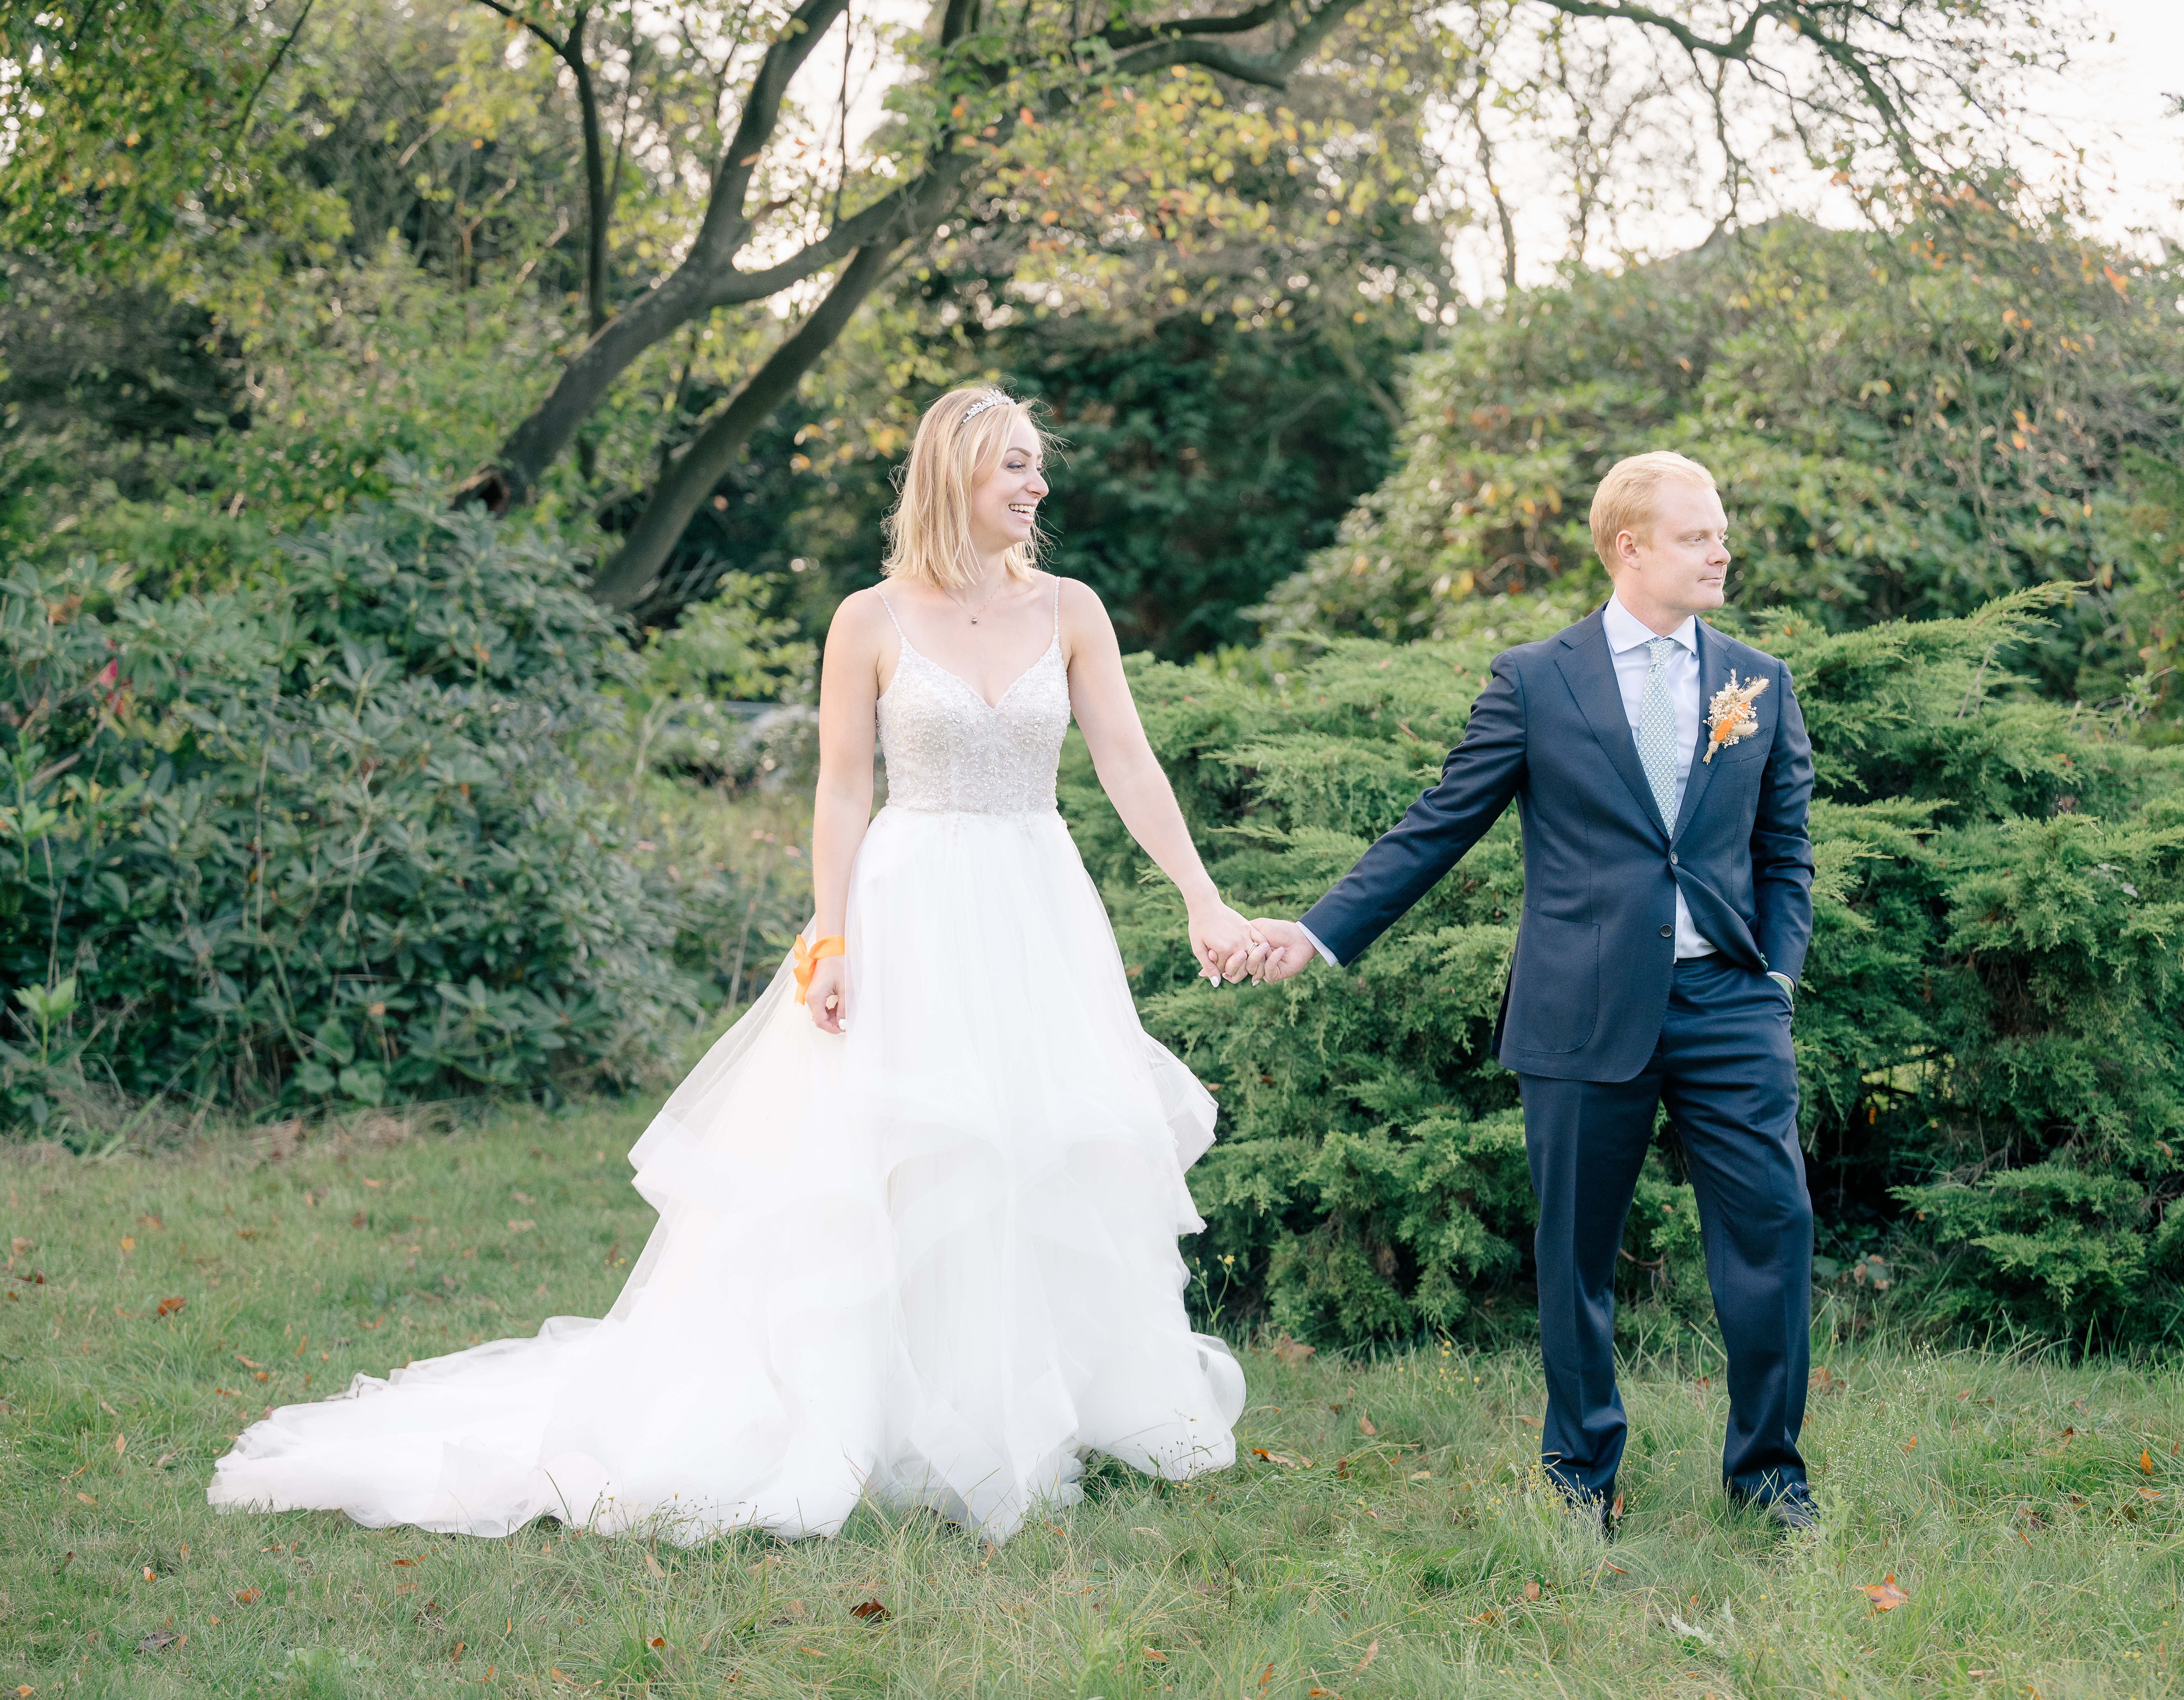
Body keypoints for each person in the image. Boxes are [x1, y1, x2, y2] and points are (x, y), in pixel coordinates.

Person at [210, 388, 1263, 1544]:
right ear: (957, 470)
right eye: (1016, 465)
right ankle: (886, 1411)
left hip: (1036, 908)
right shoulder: (868, 619)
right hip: (907, 907)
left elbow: (1124, 757)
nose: (1038, 485)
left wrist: (1200, 897)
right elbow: (842, 789)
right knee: (904, 1152)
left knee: (1033, 1142)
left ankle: (1031, 1400)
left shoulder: (1070, 610)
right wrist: (832, 936)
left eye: (1036, 467)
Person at [1247, 451, 1820, 1533]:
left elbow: (1786, 849)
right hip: (1579, 1010)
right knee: (1574, 1258)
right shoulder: (1534, 680)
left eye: (1722, 531)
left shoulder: (1760, 681)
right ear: (1628, 547)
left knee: (1772, 1233)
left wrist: (1775, 974)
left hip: (1728, 1006)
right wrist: (1320, 933)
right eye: (1697, 534)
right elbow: (1440, 821)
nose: (1720, 549)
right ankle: (1579, 1478)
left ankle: (1768, 1478)